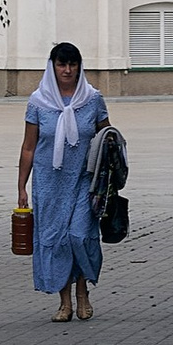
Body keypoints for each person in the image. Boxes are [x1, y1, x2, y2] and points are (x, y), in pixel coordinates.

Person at [17, 42, 108, 321]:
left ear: (80, 66)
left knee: (79, 235)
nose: (67, 70)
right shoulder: (38, 101)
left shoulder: (92, 100)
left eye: (72, 64)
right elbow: (29, 146)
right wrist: (21, 186)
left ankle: (83, 292)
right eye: (61, 64)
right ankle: (65, 302)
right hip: (48, 182)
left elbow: (107, 139)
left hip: (84, 181)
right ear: (52, 66)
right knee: (56, 240)